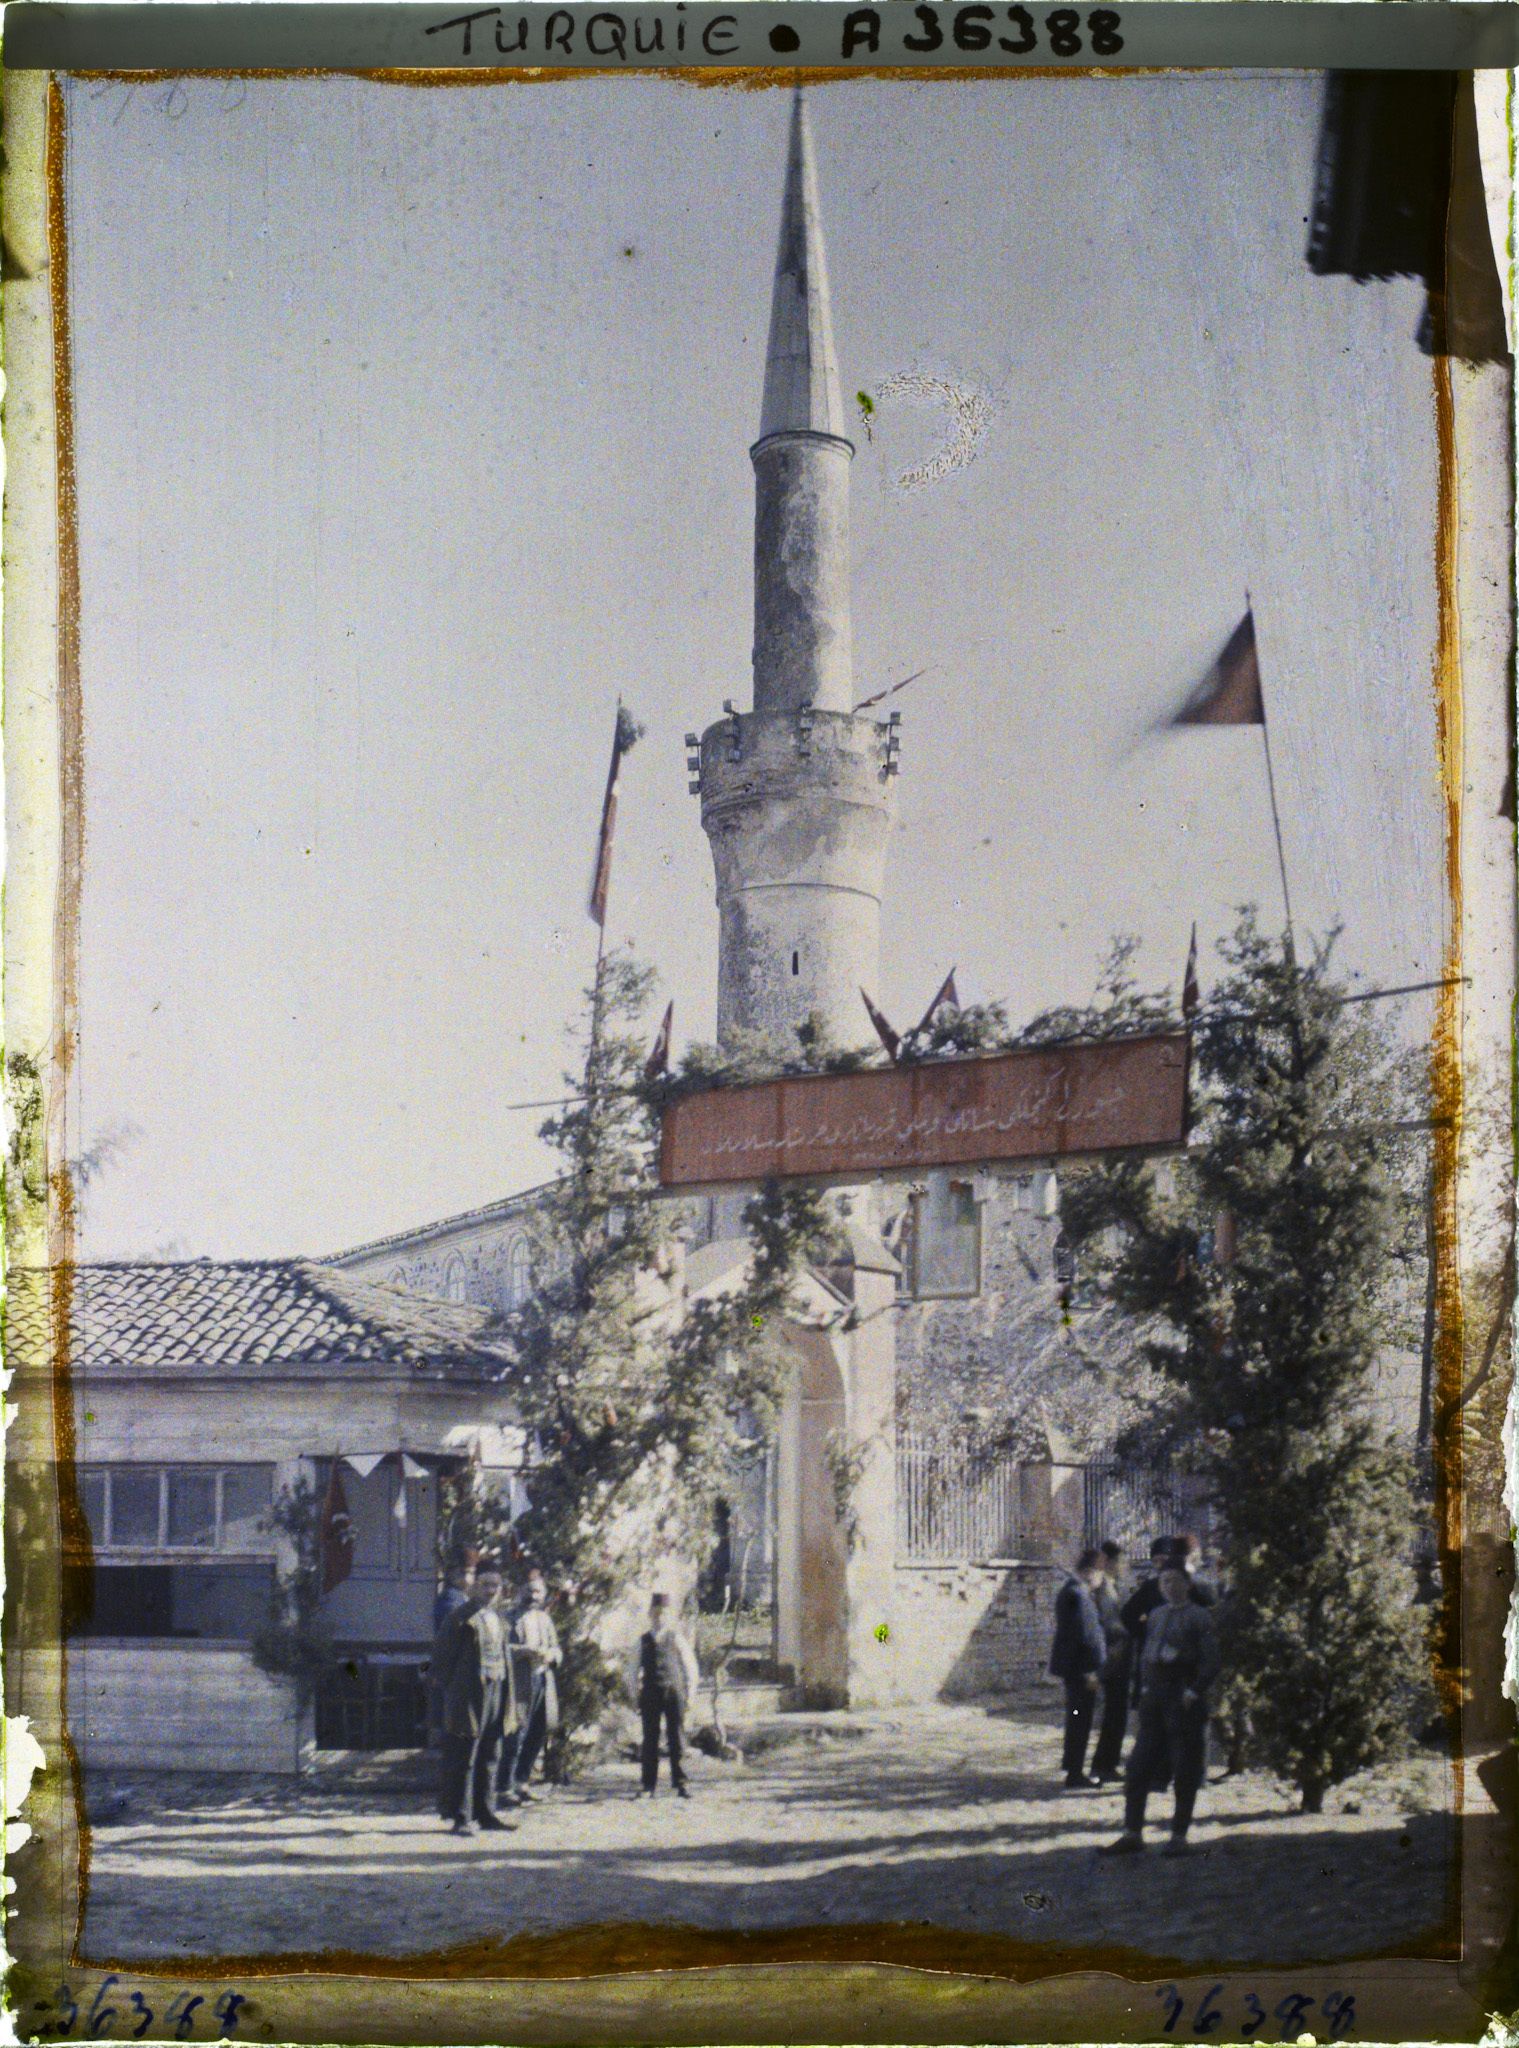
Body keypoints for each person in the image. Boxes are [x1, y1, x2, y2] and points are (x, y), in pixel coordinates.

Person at [1100, 1562, 1221, 1857]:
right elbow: (1145, 1654)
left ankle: (1179, 1836)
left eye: (1174, 1580)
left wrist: (1194, 1691)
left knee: (1184, 1768)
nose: (1168, 1586)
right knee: (1138, 1766)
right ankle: (1132, 1832)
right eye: (1164, 1582)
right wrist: (1142, 1688)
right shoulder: (1155, 1615)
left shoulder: (1200, 1617)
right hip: (1154, 1697)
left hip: (1183, 1698)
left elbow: (1211, 1661)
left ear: (1187, 1584)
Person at [434, 1558, 519, 1837]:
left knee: (490, 1754)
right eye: (485, 1585)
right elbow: (443, 1662)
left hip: (496, 1691)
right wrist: (455, 1696)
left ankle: (486, 1813)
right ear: (475, 1586)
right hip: (468, 1695)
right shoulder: (459, 1617)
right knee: (465, 1756)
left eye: (496, 1585)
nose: (491, 1590)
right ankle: (461, 1817)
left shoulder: (501, 1619)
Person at [497, 1566, 562, 1806]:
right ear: (520, 1591)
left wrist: (551, 1656)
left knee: (537, 1732)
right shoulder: (507, 1618)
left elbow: (557, 1648)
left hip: (543, 1681)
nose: (534, 1596)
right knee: (515, 1735)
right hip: (519, 1683)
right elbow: (500, 1649)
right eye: (530, 1591)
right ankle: (503, 1788)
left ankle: (522, 1783)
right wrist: (523, 1651)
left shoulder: (544, 1619)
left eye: (538, 1592)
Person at [1048, 1547, 1108, 1788]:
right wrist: (1092, 1671)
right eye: (1099, 1573)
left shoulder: (1070, 1591)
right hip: (1082, 1670)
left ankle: (1072, 1766)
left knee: (1075, 1718)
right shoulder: (1080, 1595)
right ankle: (1075, 1773)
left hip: (1073, 1668)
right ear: (1091, 1572)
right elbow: (1088, 1637)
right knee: (1080, 1720)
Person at [631, 1592, 700, 1799]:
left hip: (674, 1693)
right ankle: (648, 1786)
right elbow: (631, 1672)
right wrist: (635, 1696)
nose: (660, 1617)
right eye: (656, 1613)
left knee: (676, 1738)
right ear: (651, 1614)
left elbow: (691, 1668)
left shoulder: (676, 1638)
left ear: (669, 1616)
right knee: (650, 1740)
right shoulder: (642, 1641)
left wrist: (690, 1696)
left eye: (664, 1613)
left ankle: (681, 1783)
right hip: (650, 1694)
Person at [1089, 1538, 1131, 1784]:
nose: (1125, 1565)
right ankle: (1104, 1765)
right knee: (1115, 1711)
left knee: (1118, 1711)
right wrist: (1130, 1628)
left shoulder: (1114, 1585)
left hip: (1119, 1653)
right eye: (1122, 1561)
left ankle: (1106, 1763)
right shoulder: (1105, 1589)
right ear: (1111, 1562)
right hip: (1114, 1654)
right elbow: (1110, 1623)